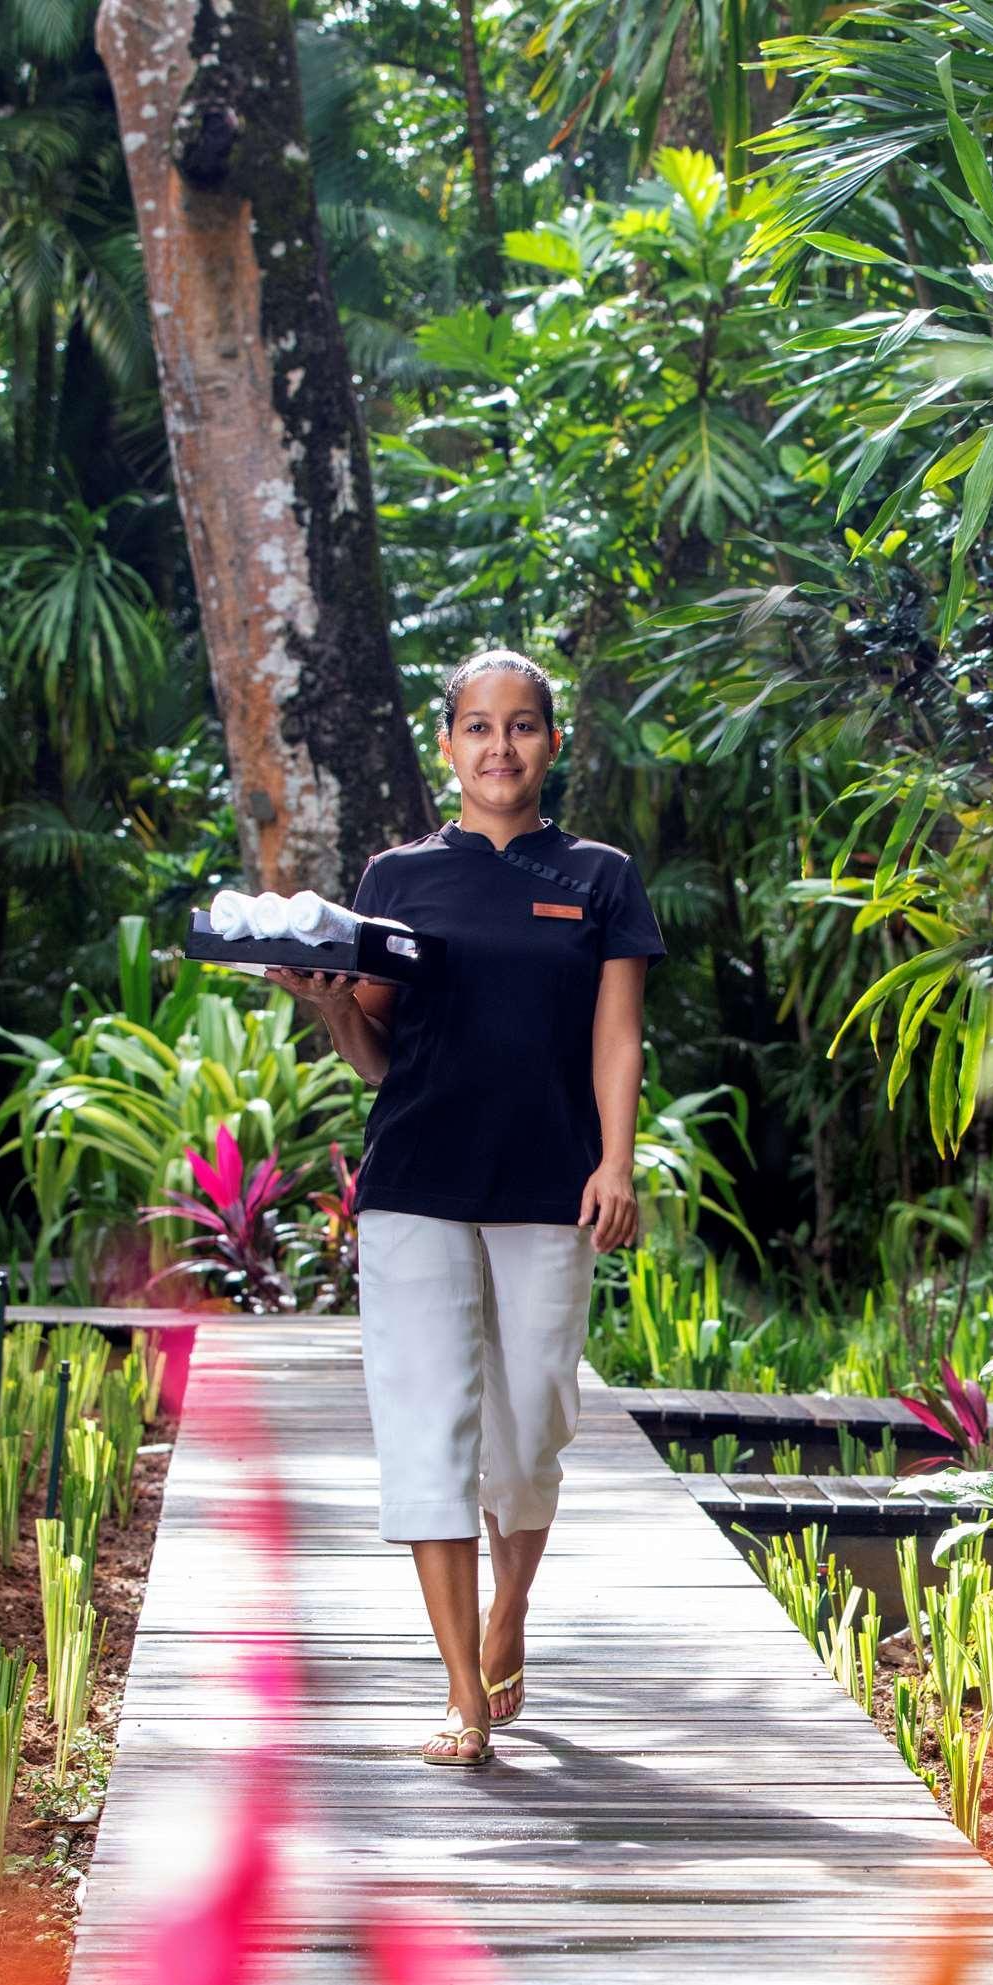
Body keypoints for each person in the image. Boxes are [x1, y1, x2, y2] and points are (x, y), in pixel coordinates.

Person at [278, 649, 659, 1769]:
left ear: (551, 742)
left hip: (550, 1183)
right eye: (479, 727)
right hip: (415, 1184)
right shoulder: (396, 877)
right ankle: (463, 1694)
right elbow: (373, 1050)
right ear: (448, 745)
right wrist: (328, 1006)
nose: (502, 746)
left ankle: (512, 1603)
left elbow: (617, 1033)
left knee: (533, 1417)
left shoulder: (600, 875)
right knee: (426, 1427)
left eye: (524, 725)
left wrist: (617, 1161)